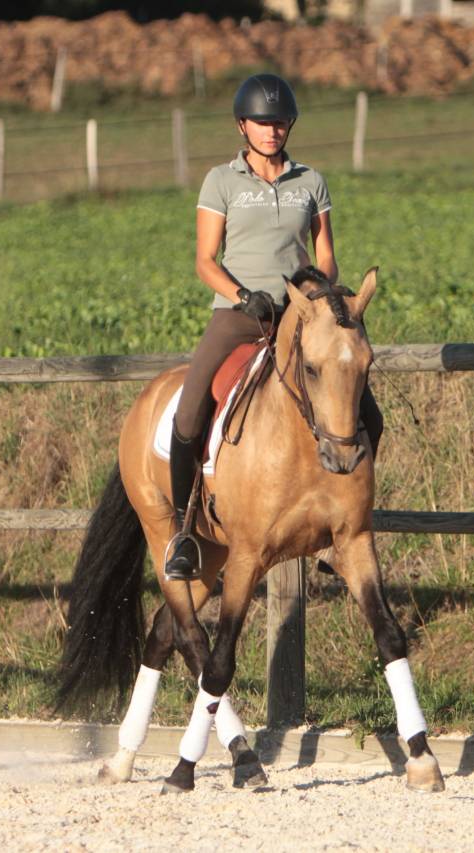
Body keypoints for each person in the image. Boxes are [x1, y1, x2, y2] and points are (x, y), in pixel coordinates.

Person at [163, 73, 383, 581]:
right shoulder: (221, 181)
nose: (272, 131)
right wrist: (243, 295)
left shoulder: (312, 181)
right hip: (239, 315)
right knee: (191, 409)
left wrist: (317, 297)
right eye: (263, 122)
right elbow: (204, 260)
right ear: (243, 125)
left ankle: (343, 524)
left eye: (280, 122)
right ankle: (183, 531)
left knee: (368, 417)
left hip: (300, 318)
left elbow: (326, 256)